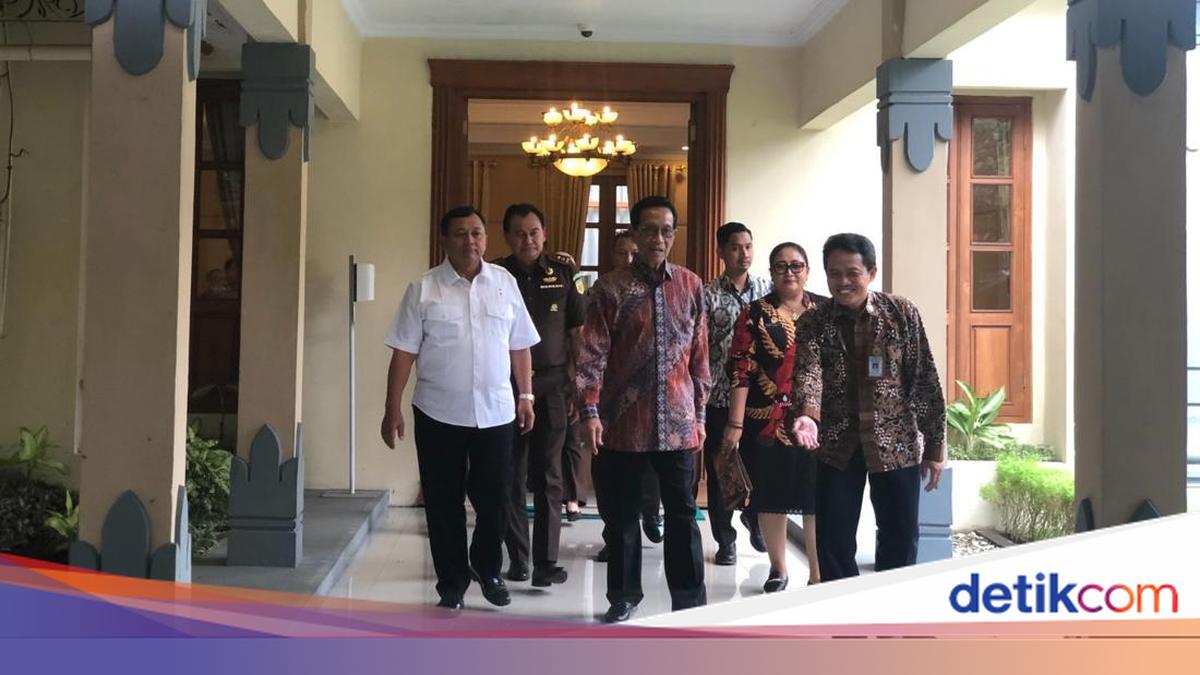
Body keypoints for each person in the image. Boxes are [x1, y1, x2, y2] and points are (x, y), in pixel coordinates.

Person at [381, 205, 540, 611]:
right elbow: (403, 353)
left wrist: (526, 396)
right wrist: (391, 408)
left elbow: (519, 345)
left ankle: (487, 570)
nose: (470, 240)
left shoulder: (504, 283)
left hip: (497, 412)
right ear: (444, 240)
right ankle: (451, 582)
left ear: (486, 238)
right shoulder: (423, 289)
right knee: (443, 501)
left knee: (497, 499)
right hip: (438, 413)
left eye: (477, 233)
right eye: (460, 233)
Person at [576, 195, 710, 623]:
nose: (658, 239)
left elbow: (700, 358)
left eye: (666, 231)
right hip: (622, 423)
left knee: (683, 516)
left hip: (679, 423)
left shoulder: (690, 285)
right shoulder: (609, 288)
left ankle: (689, 601)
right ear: (634, 233)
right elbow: (592, 354)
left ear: (674, 235)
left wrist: (701, 416)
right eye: (649, 230)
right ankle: (623, 596)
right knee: (622, 517)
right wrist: (590, 411)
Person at [789, 233, 946, 581]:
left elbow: (924, 378)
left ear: (871, 273)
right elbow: (808, 373)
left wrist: (935, 445)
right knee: (833, 543)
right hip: (836, 445)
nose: (842, 282)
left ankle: (890, 608)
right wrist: (807, 416)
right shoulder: (814, 322)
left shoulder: (901, 313)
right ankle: (845, 609)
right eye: (834, 274)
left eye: (852, 273)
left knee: (900, 539)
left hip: (896, 444)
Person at [495, 203, 586, 588]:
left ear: (545, 234)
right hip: (506, 388)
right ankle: (519, 559)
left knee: (549, 475)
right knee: (509, 475)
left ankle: (546, 562)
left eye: (533, 232)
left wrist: (579, 386)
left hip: (553, 386)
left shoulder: (565, 273)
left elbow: (577, 334)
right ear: (507, 237)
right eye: (518, 233)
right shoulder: (495, 276)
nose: (527, 240)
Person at [725, 242, 824, 591]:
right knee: (770, 495)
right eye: (780, 266)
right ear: (771, 273)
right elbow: (740, 371)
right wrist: (735, 424)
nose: (789, 272)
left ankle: (818, 573)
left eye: (796, 265)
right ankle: (778, 569)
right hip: (766, 420)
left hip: (817, 422)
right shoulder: (754, 314)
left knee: (816, 497)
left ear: (807, 270)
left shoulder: (825, 311)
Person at [592, 230, 666, 564]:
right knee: (610, 479)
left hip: (654, 399)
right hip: (611, 402)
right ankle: (615, 538)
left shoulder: (663, 289)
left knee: (650, 467)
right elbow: (591, 348)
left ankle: (651, 512)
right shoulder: (605, 290)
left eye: (634, 252)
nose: (629, 259)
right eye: (622, 253)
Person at [700, 222, 772, 565]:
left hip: (760, 395)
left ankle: (755, 519)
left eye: (748, 246)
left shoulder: (767, 289)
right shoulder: (708, 294)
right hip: (720, 395)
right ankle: (724, 539)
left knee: (760, 463)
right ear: (721, 252)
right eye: (734, 247)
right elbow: (698, 347)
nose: (743, 254)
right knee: (722, 470)